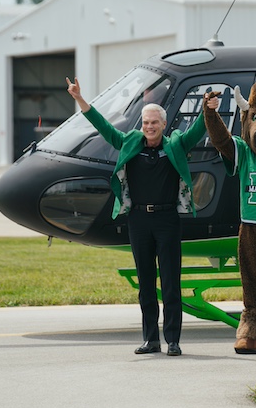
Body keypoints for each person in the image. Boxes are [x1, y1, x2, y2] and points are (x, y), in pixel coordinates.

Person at [66, 77, 208, 356]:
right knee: (146, 284)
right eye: (145, 123)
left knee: (170, 283)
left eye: (154, 123)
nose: (149, 127)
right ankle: (151, 340)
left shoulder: (176, 145)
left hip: (168, 221)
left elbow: (197, 131)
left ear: (164, 125)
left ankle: (174, 341)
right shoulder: (130, 142)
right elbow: (105, 128)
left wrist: (208, 109)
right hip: (139, 222)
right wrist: (80, 99)